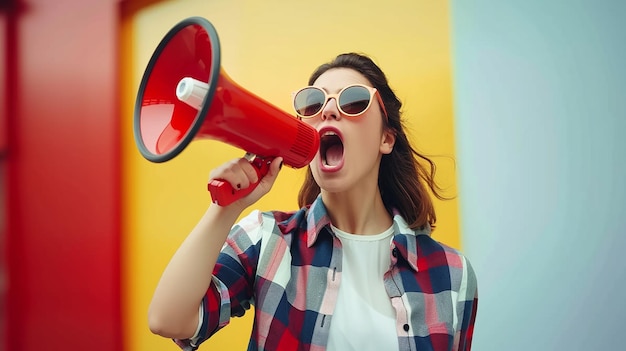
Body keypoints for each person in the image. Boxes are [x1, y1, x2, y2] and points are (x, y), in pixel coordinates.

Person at [148, 52, 478, 351]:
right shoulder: (268, 240)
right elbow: (168, 320)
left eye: (353, 101)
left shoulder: (453, 274)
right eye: (313, 104)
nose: (329, 110)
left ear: (385, 139)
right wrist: (225, 209)